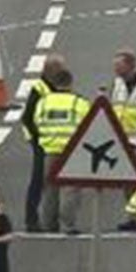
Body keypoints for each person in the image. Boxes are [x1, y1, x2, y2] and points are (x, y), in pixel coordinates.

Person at [27, 68, 89, 234]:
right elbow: (89, 125)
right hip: (72, 151)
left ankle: (49, 224)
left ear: (54, 84)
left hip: (50, 150)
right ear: (70, 83)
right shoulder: (79, 103)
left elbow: (37, 121)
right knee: (70, 188)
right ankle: (68, 225)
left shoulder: (44, 102)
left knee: (50, 188)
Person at [105, 50, 136, 135]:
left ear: (130, 65)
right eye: (115, 65)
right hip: (119, 137)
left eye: (118, 65)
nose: (115, 68)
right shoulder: (116, 84)